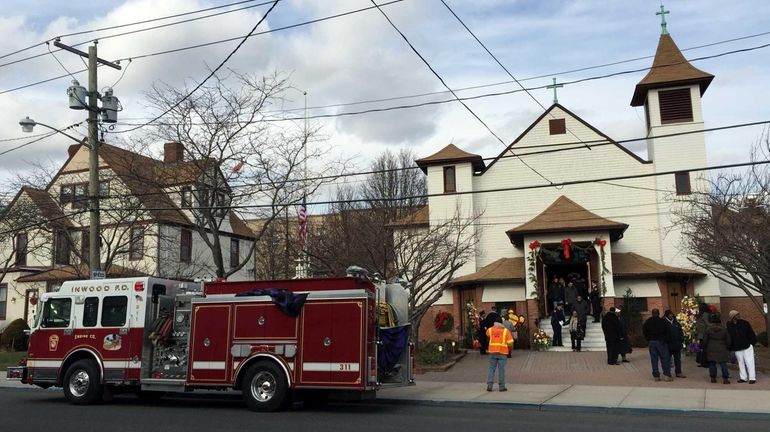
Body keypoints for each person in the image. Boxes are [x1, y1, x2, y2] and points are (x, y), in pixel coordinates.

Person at [726, 310, 757, 384]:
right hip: (737, 347)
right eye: (736, 315)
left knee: (750, 362)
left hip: (747, 345)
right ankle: (743, 377)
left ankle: (752, 378)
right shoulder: (729, 325)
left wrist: (752, 343)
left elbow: (751, 333)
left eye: (738, 314)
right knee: (740, 363)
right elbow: (730, 336)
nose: (738, 316)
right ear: (733, 317)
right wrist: (731, 347)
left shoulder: (744, 323)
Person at [643, 308, 673, 382]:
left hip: (652, 341)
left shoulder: (648, 322)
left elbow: (644, 331)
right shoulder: (663, 321)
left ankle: (656, 376)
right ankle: (666, 375)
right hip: (661, 341)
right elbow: (668, 332)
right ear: (659, 313)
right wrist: (666, 340)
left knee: (654, 359)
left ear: (652, 314)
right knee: (665, 358)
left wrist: (648, 339)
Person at [485, 316, 513, 392]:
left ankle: (489, 386)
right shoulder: (505, 331)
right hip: (502, 353)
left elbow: (487, 334)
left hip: (492, 352)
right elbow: (510, 343)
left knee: (491, 369)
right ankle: (501, 387)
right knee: (501, 370)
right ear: (502, 323)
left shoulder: (490, 330)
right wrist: (510, 350)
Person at [703, 313, 731, 384]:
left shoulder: (708, 330)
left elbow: (705, 340)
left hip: (711, 348)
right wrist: (727, 347)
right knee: (723, 364)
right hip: (722, 348)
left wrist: (705, 347)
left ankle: (713, 378)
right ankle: (725, 379)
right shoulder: (724, 329)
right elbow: (728, 340)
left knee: (712, 363)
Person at [664, 310, 686, 378]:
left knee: (677, 360)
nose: (671, 316)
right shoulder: (664, 323)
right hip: (668, 345)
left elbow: (681, 333)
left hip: (677, 344)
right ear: (666, 315)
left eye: (671, 314)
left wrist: (681, 340)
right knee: (667, 360)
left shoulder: (676, 323)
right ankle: (668, 373)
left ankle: (678, 372)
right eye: (669, 315)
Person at [695, 304, 712, 368]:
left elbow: (707, 323)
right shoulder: (701, 314)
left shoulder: (705, 314)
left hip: (704, 334)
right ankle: (702, 361)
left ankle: (706, 362)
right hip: (701, 334)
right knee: (702, 348)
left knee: (704, 349)